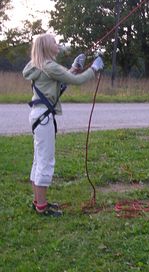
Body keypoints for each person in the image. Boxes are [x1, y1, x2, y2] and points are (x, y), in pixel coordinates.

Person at [23, 33, 104, 217]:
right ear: (46, 47)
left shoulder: (39, 66)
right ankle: (42, 207)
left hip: (38, 115)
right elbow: (76, 81)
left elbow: (61, 80)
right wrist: (94, 68)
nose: (57, 44)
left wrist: (74, 67)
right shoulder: (49, 66)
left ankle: (39, 202)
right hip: (44, 117)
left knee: (39, 160)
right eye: (54, 42)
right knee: (45, 161)